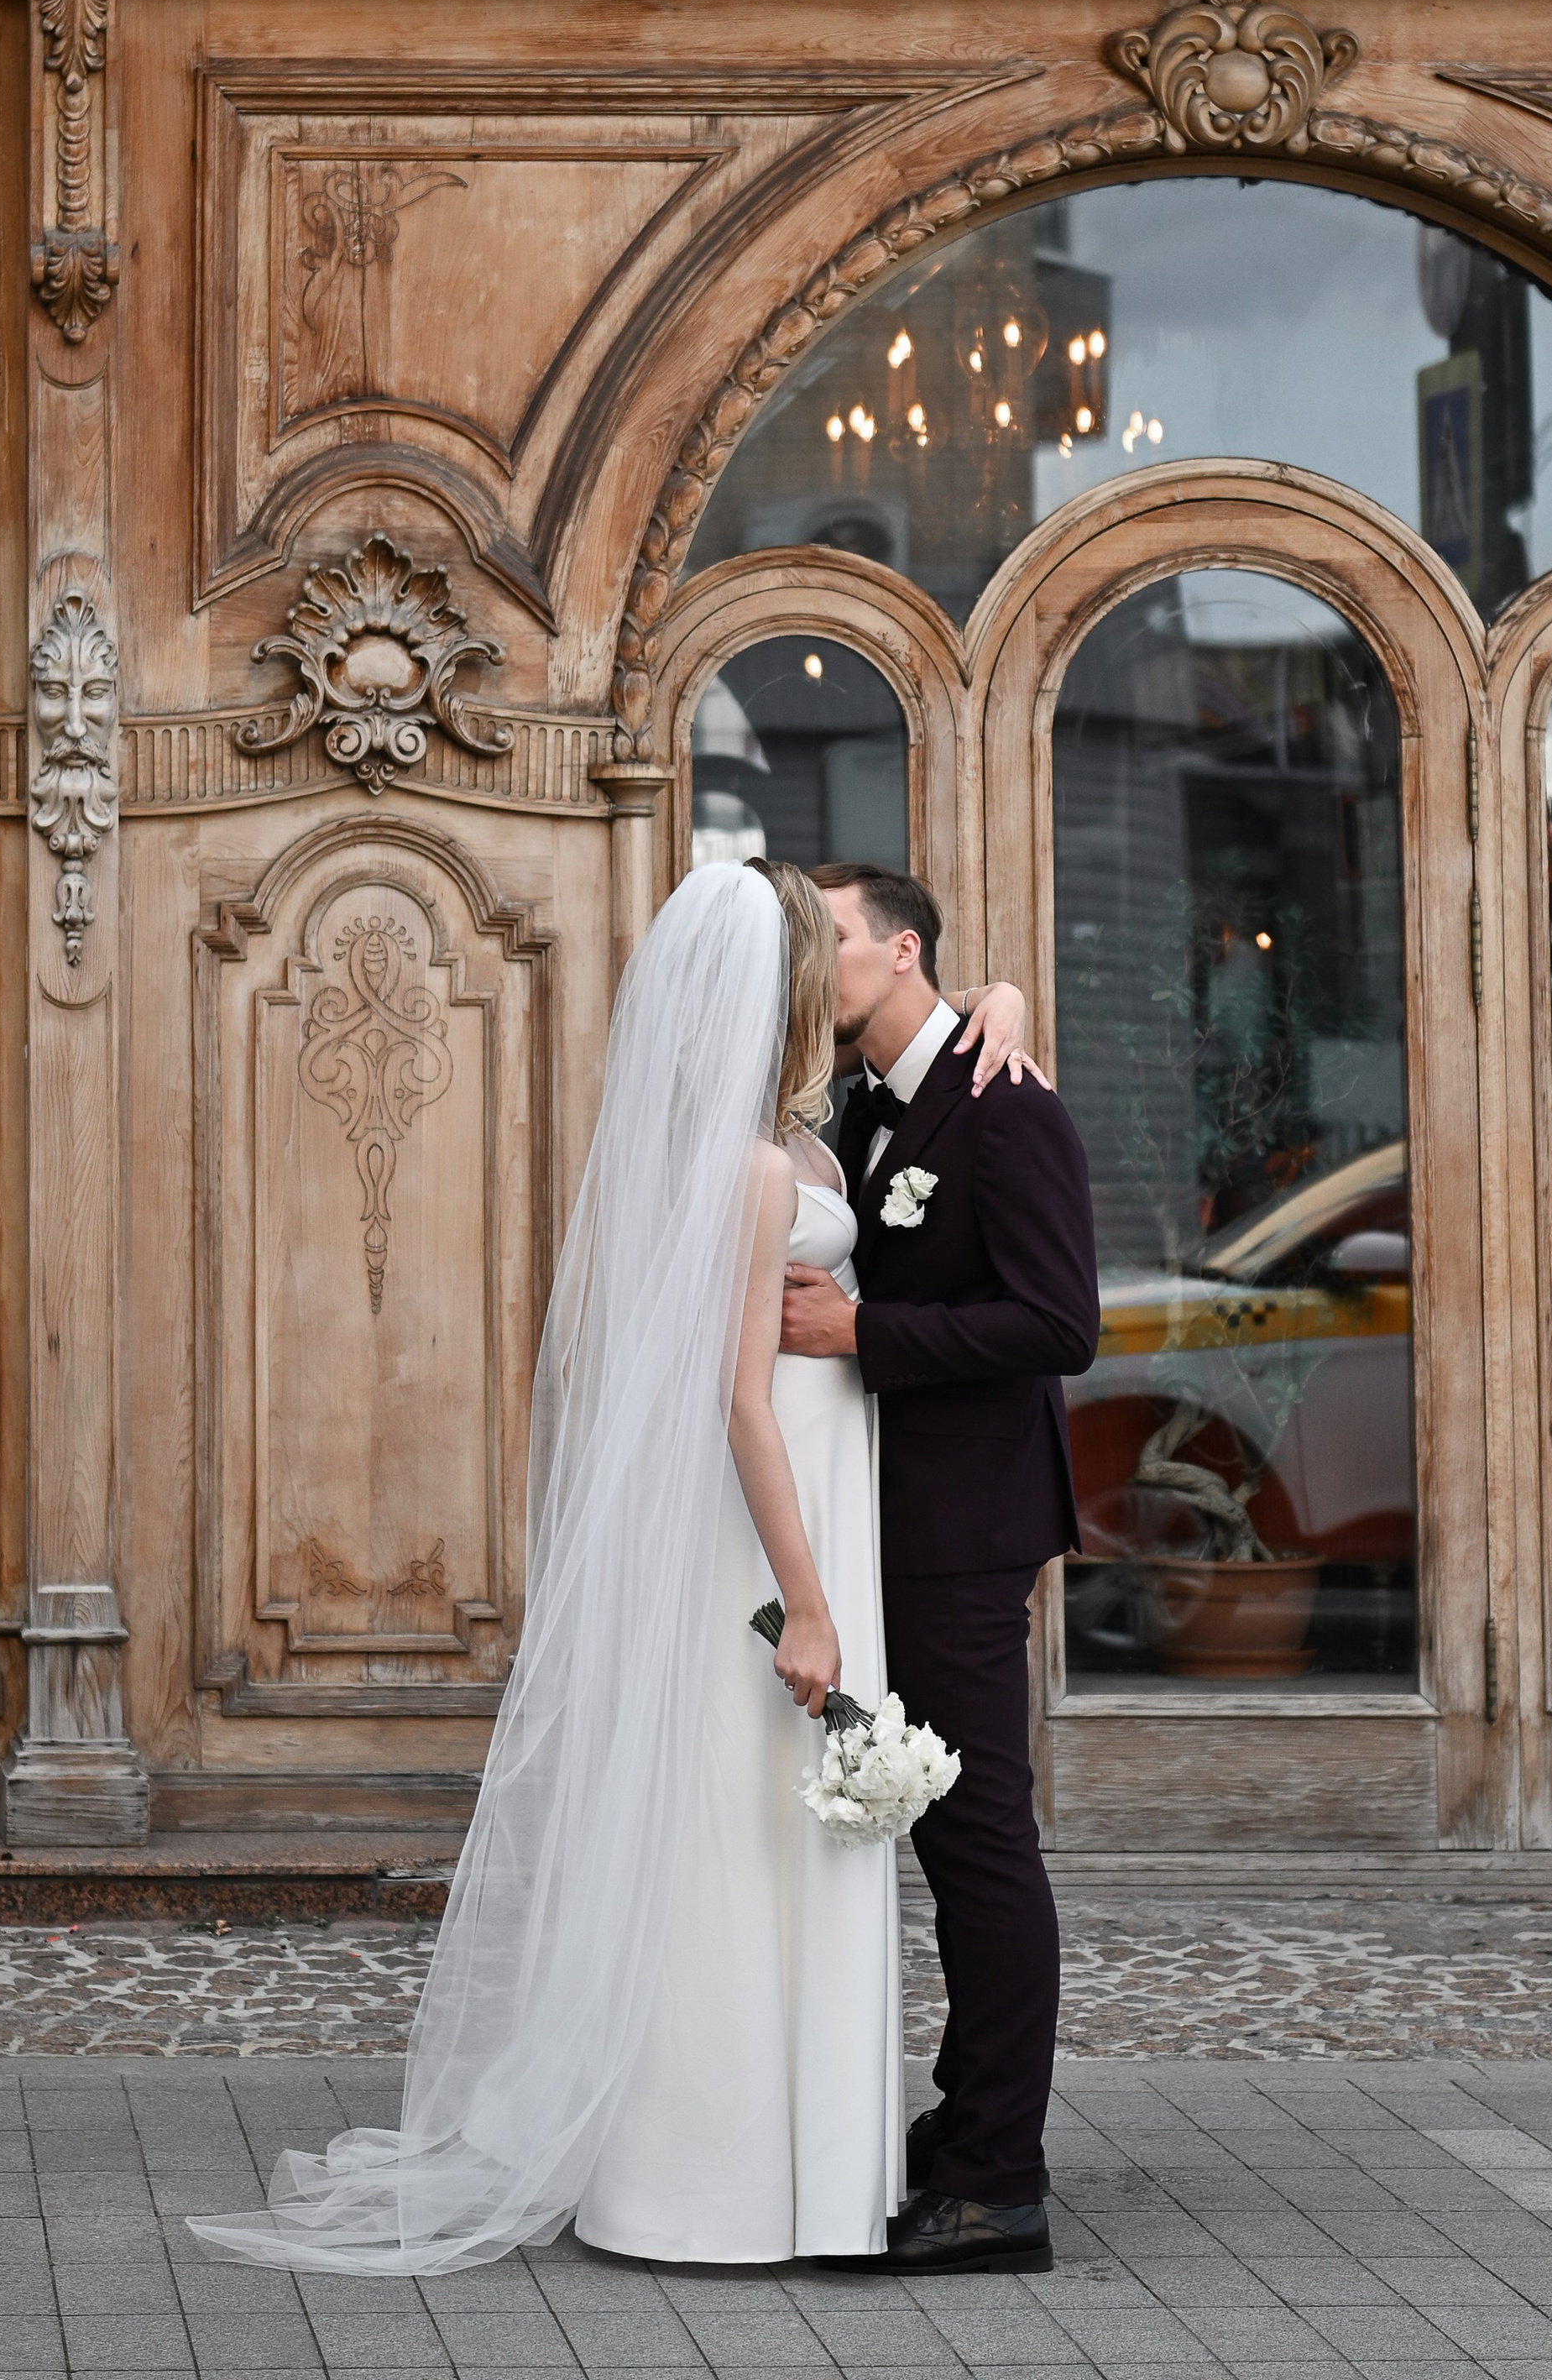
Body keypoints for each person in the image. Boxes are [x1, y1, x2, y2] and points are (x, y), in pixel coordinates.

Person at [188, 857, 1031, 2277]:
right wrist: (812, 1605)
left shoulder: (812, 1129)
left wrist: (997, 994)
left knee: (776, 1836)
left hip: (808, 1513)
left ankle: (795, 2172)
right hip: (777, 1534)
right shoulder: (761, 1163)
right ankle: (727, 2181)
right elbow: (739, 1395)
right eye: (807, 950)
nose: (831, 968)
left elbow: (934, 1041)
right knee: (748, 1839)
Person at [781, 860, 1100, 2279]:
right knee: (929, 1830)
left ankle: (998, 2180)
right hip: (880, 1521)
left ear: (900, 952)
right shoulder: (861, 1098)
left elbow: (1056, 1322)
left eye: (830, 941)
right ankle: (961, 2121)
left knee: (979, 1841)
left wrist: (868, 1344)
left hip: (968, 1527)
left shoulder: (1008, 1103)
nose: (812, 964)